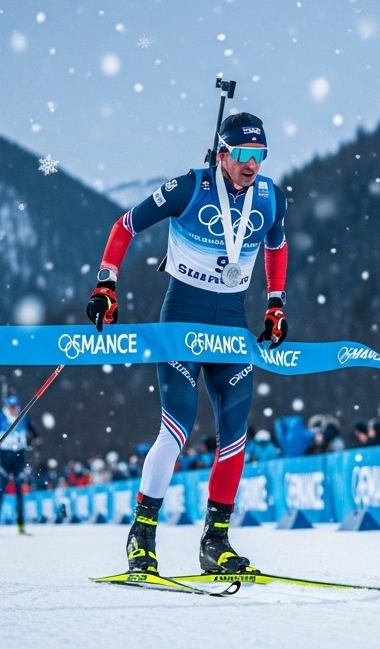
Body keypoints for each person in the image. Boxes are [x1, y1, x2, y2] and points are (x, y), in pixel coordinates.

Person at [85, 111, 290, 576]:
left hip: (232, 327)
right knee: (175, 431)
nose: (251, 164)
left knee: (235, 437)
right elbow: (125, 226)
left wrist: (275, 303)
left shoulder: (271, 197)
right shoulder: (189, 187)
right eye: (242, 154)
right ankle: (142, 536)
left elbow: (277, 246)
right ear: (222, 154)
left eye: (259, 155)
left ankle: (215, 543)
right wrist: (106, 285)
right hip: (183, 320)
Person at [0, 394, 37, 535]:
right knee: (0, 490)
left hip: (19, 456)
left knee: (19, 491)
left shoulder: (24, 415)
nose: (13, 410)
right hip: (5, 456)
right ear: (6, 407)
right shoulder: (0, 416)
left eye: (15, 407)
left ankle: (21, 525)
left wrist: (33, 438)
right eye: (11, 407)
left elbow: (33, 430)